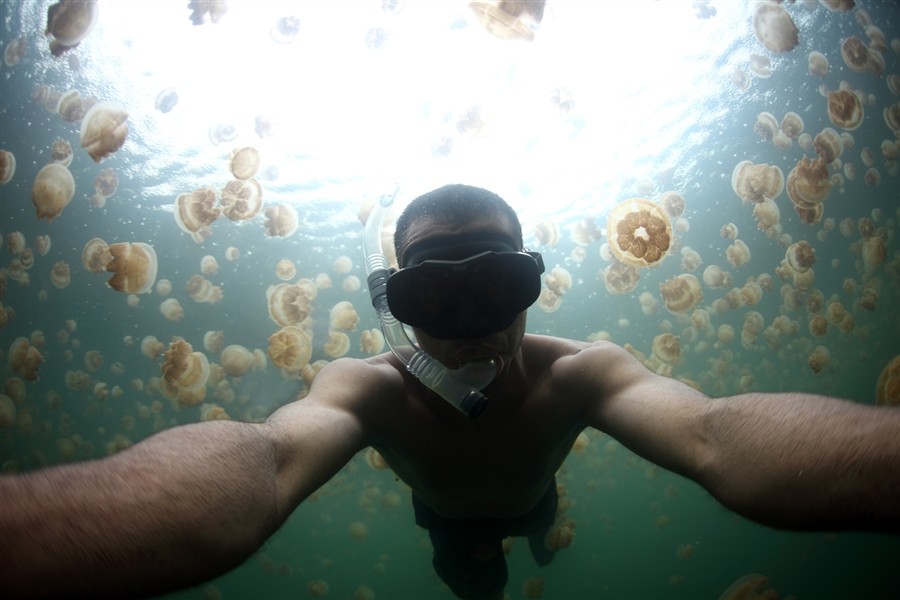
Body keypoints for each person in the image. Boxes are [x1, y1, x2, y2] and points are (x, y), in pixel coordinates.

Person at [2, 183, 899, 600]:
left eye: (496, 285)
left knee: (543, 535)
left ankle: (545, 539)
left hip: (531, 494)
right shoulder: (368, 388)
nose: (469, 320)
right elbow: (268, 461)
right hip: (444, 522)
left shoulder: (580, 372)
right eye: (434, 293)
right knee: (475, 589)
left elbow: (710, 434)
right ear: (396, 305)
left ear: (531, 285)